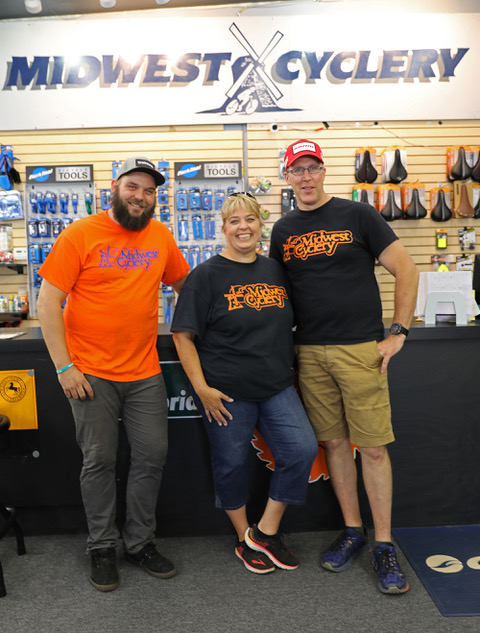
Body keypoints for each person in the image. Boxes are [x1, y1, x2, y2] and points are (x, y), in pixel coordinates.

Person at [269, 139, 419, 595]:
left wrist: (399, 331)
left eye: (312, 168)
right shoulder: (283, 229)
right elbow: (276, 295)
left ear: (323, 172)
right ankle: (353, 530)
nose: (306, 177)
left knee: (371, 448)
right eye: (298, 170)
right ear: (288, 177)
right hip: (309, 352)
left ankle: (384, 544)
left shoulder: (359, 214)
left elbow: (407, 269)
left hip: (360, 349)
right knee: (334, 444)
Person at [36, 156, 190, 592]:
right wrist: (64, 366)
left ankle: (139, 543)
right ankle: (102, 546)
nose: (141, 196)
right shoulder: (80, 234)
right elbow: (49, 304)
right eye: (133, 187)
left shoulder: (160, 236)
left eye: (149, 190)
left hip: (144, 372)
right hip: (90, 374)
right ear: (115, 188)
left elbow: (185, 286)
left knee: (151, 458)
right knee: (99, 461)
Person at [171, 193, 318, 575]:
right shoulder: (205, 276)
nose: (243, 227)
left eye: (250, 220)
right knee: (230, 464)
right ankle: (242, 538)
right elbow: (183, 336)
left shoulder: (274, 270)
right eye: (234, 221)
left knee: (301, 450)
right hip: (226, 391)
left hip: (276, 385)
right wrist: (201, 388)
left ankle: (264, 532)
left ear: (260, 225)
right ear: (223, 228)